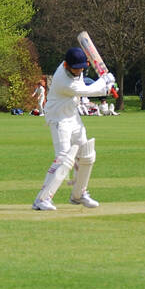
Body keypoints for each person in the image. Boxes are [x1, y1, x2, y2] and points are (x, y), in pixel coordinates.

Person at [32, 46, 116, 211]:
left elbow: (86, 83)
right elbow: (87, 90)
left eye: (82, 68)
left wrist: (105, 79)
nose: (79, 72)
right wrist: (106, 82)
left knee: (87, 154)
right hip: (58, 118)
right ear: (66, 65)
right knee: (64, 158)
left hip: (73, 115)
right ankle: (42, 199)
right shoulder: (63, 81)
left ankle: (79, 194)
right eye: (76, 69)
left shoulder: (77, 68)